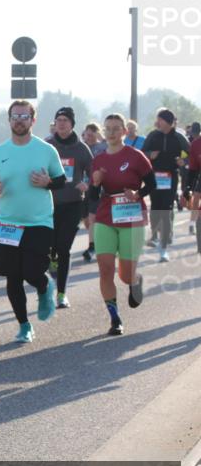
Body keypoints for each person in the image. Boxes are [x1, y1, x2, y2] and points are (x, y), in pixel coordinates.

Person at [0, 100, 67, 343]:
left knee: (31, 271)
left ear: (33, 120)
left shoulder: (46, 150)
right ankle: (24, 326)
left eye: (24, 116)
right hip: (7, 223)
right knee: (13, 277)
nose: (19, 120)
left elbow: (61, 180)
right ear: (9, 120)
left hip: (39, 222)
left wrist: (47, 182)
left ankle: (43, 286)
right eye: (15, 116)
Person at [89, 114, 154, 336]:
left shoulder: (136, 156)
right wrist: (95, 183)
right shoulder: (98, 160)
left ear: (125, 131)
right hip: (107, 215)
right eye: (108, 129)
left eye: (116, 129)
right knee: (105, 269)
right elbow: (92, 194)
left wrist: (138, 193)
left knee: (125, 275)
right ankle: (115, 318)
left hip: (131, 216)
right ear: (103, 132)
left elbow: (152, 185)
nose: (112, 133)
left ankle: (135, 280)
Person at [47, 107, 94, 309]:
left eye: (66, 120)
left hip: (72, 204)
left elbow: (95, 174)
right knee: (51, 250)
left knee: (64, 248)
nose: (62, 123)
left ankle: (61, 293)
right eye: (58, 120)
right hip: (47, 205)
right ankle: (52, 266)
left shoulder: (81, 149)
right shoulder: (46, 146)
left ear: (72, 124)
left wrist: (88, 183)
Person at [142, 108, 191, 262]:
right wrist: (150, 155)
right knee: (156, 207)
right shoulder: (152, 135)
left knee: (166, 207)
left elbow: (190, 153)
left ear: (168, 122)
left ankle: (163, 246)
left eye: (160, 120)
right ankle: (155, 235)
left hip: (171, 176)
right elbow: (142, 153)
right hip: (154, 176)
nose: (157, 122)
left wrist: (184, 161)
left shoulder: (178, 137)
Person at [80, 122, 107, 262]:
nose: (89, 137)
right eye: (86, 134)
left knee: (92, 218)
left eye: (91, 134)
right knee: (86, 220)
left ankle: (92, 247)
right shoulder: (81, 147)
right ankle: (95, 241)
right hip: (82, 188)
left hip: (97, 187)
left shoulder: (102, 147)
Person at [189, 124, 201, 252]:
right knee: (196, 196)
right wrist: (188, 186)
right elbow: (193, 168)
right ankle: (192, 222)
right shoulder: (195, 144)